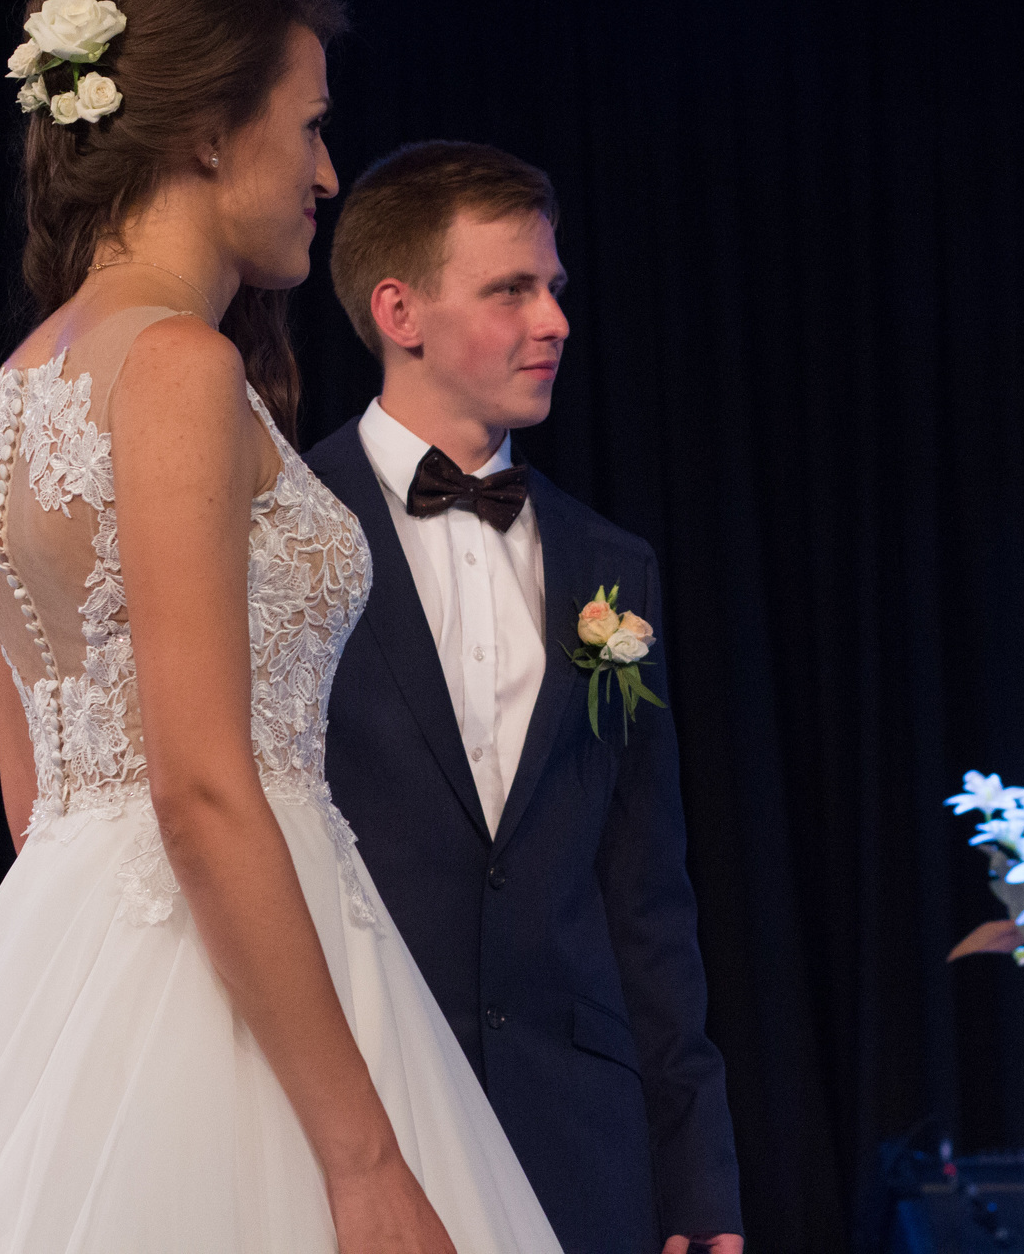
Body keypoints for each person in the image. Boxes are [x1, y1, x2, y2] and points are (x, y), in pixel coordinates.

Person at [0, 0, 560, 1253]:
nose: (327, 175)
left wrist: (110, 1004)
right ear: (206, 133)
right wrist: (361, 1158)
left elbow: (39, 794)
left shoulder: (15, 393)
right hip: (238, 965)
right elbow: (198, 782)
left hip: (77, 974)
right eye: (310, 127)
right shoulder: (176, 365)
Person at [307, 141, 742, 1254]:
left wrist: (697, 1179)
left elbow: (646, 894)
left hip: (577, 1140)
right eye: (511, 289)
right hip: (362, 1119)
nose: (553, 320)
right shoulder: (284, 528)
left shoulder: (611, 564)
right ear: (399, 310)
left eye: (553, 287)